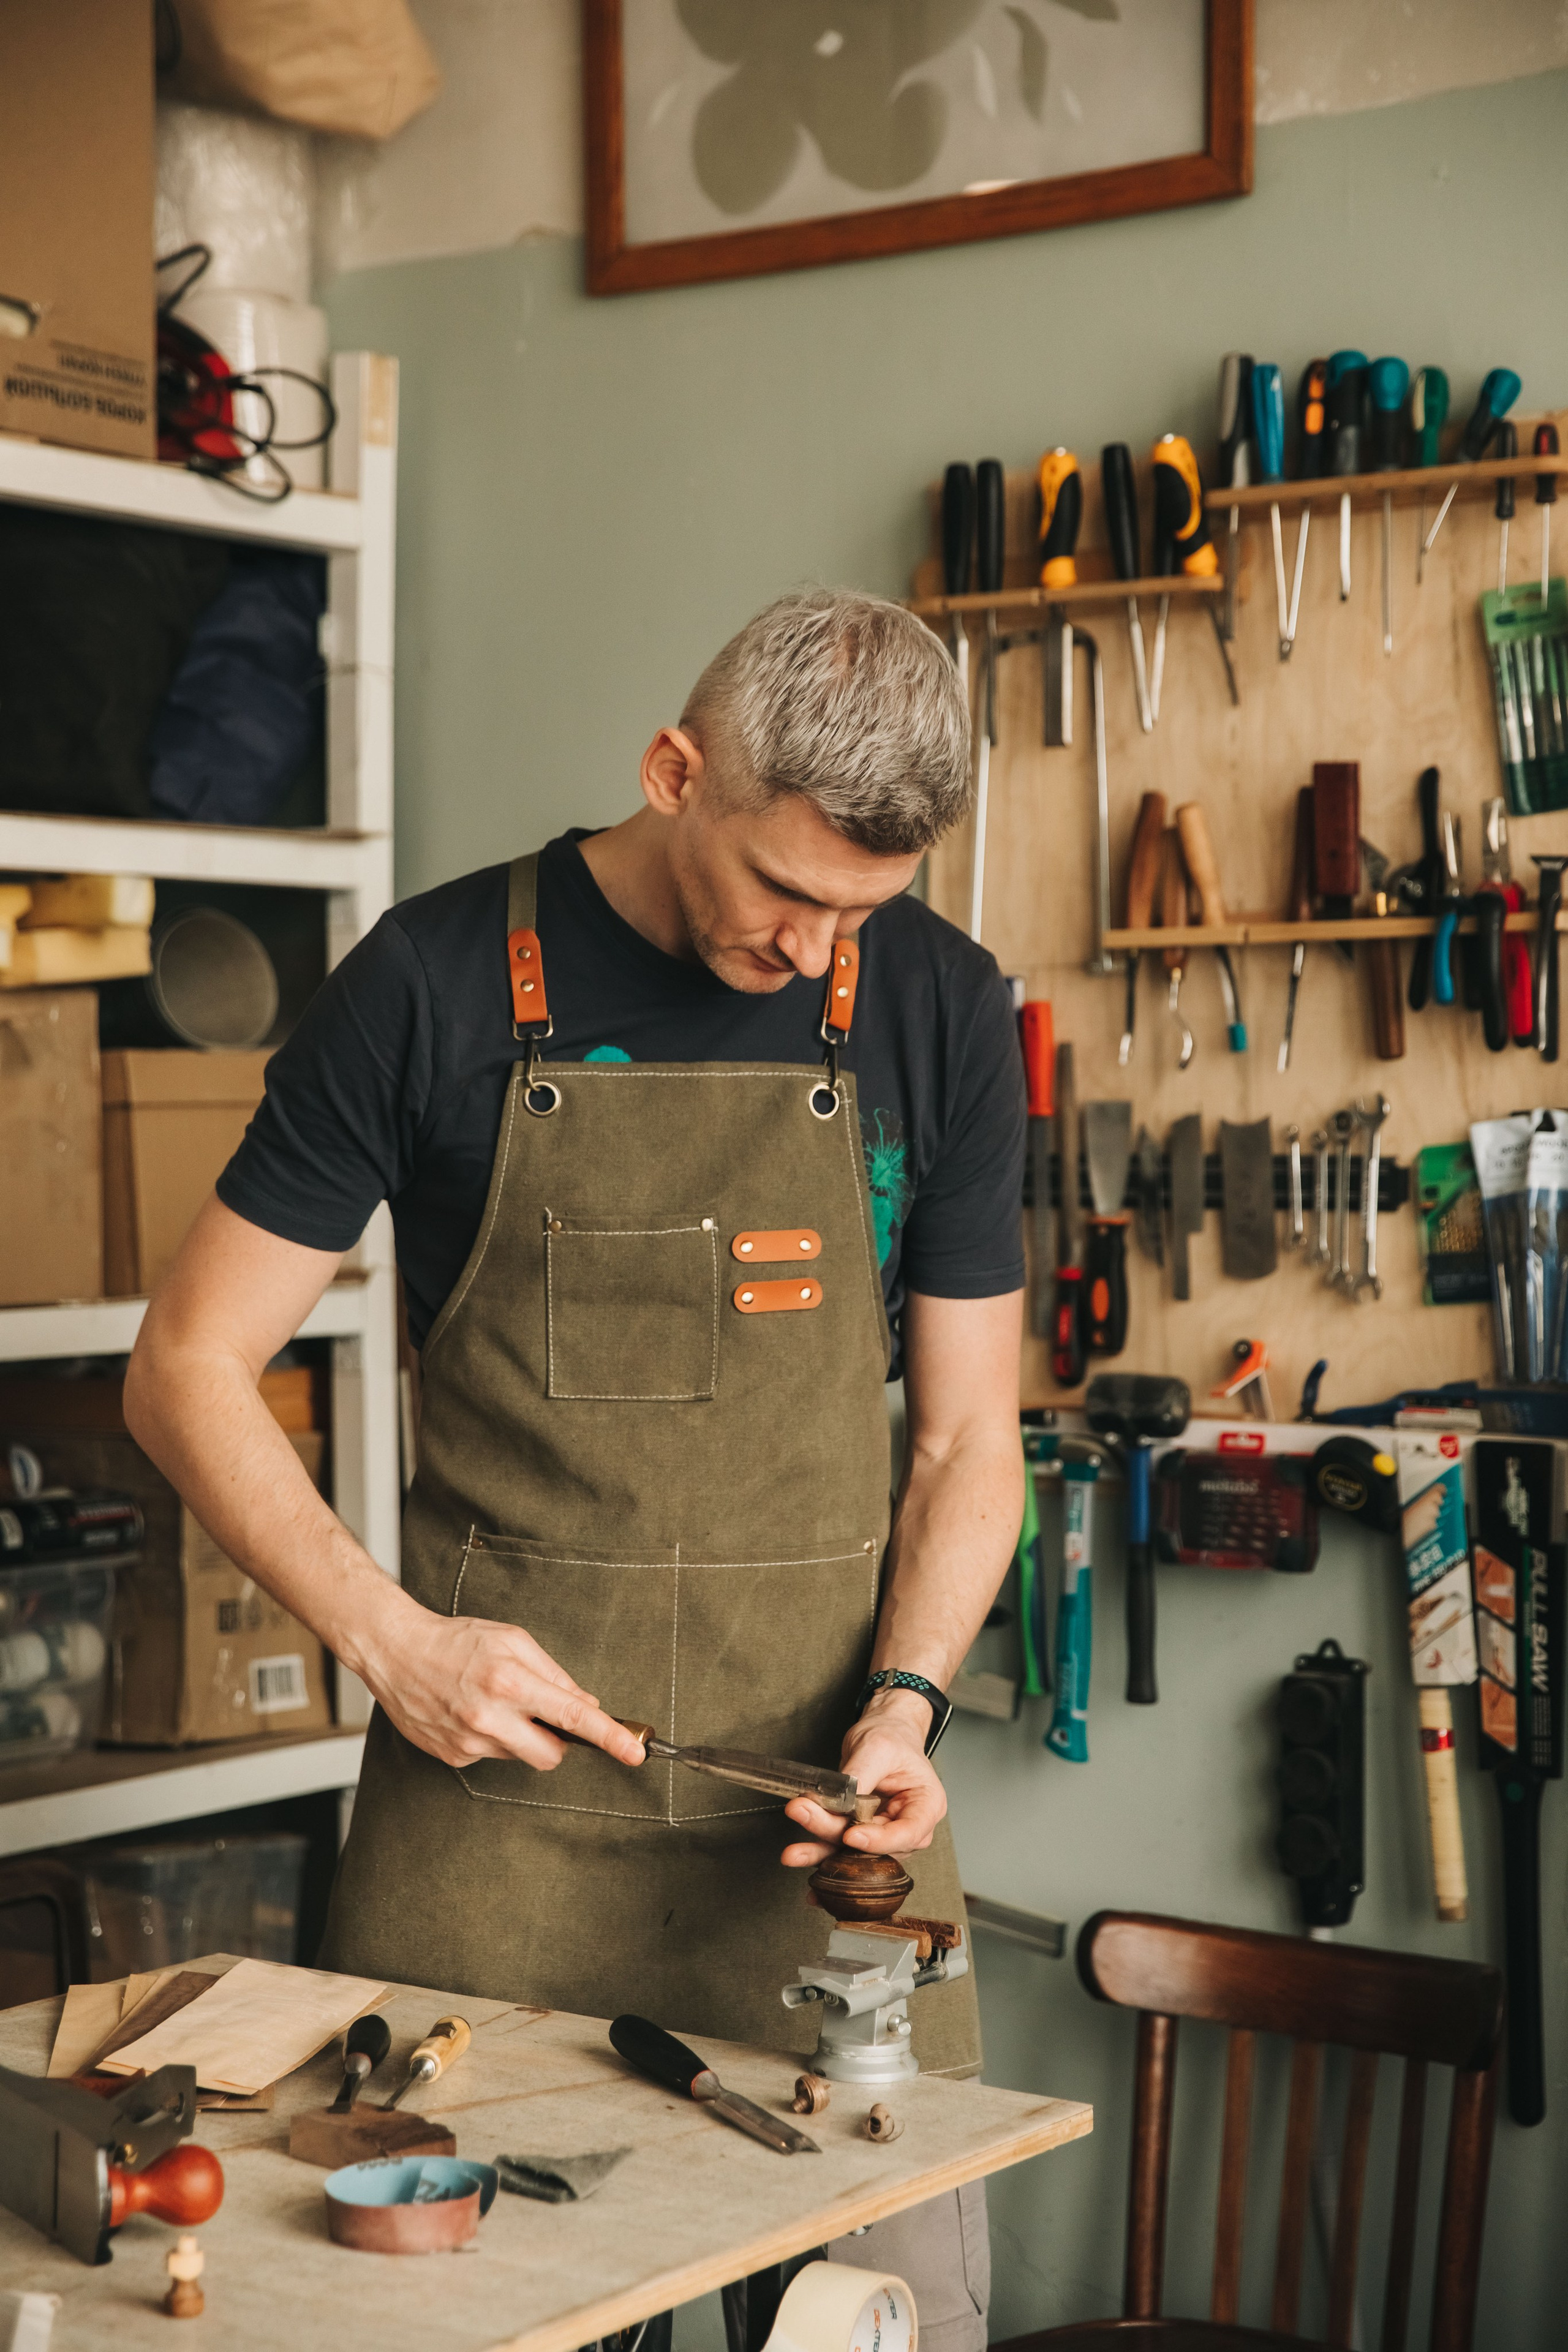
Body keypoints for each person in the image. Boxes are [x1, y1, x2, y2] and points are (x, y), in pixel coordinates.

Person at [126, 587, 1026, 2350]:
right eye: (785, 893)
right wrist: (393, 1644)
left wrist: (909, 1705)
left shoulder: (941, 1000)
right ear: (675, 772)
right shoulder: (432, 982)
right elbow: (184, 1368)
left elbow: (966, 1437)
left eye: (862, 911)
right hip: (491, 1838)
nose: (815, 952)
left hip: (813, 1837)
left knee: (892, 2316)